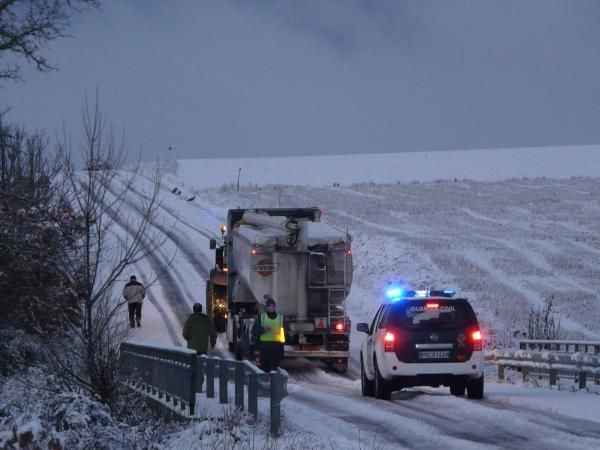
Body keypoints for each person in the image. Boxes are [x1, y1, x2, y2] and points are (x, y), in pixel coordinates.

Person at [252, 295, 285, 372]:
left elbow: (282, 335)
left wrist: (282, 349)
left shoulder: (280, 318)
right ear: (266, 307)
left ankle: (273, 384)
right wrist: (263, 329)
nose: (271, 307)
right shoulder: (262, 317)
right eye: (269, 306)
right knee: (265, 369)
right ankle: (266, 383)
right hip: (264, 348)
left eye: (273, 306)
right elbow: (254, 331)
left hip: (276, 348)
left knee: (274, 370)